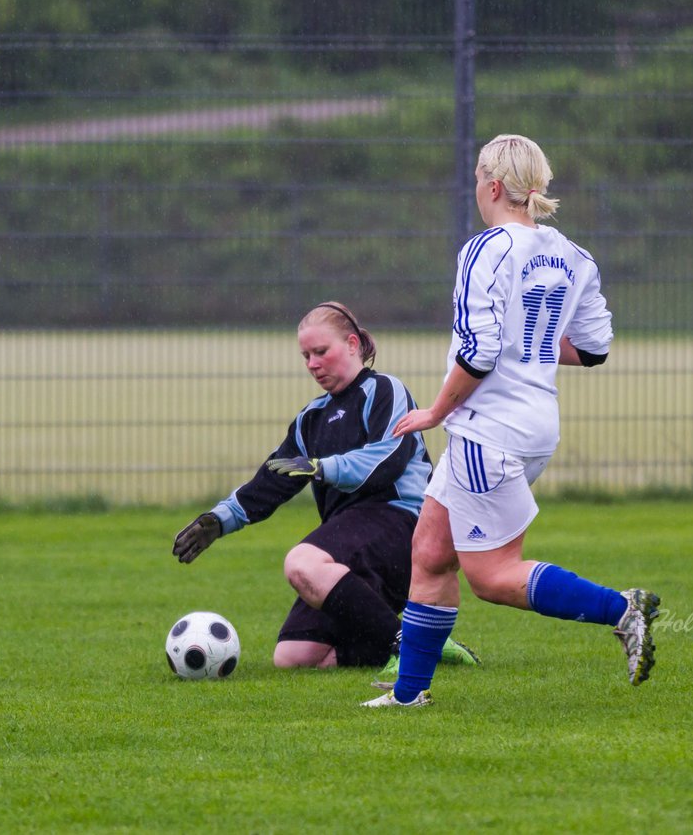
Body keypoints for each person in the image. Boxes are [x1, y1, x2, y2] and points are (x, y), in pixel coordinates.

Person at [362, 135, 660, 708]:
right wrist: (536, 346)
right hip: (533, 425)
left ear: (494, 186)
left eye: (478, 178)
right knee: (429, 552)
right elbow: (594, 349)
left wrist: (434, 411)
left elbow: (478, 352)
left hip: (488, 426)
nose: (475, 188)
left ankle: (623, 609)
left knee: (493, 577)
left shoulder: (486, 249)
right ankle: (408, 695)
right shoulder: (574, 256)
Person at [172, 301, 480, 673]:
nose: (312, 364)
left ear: (352, 344)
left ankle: (409, 646)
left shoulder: (385, 390)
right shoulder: (310, 419)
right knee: (295, 657)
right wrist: (219, 521)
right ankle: (424, 643)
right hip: (350, 550)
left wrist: (320, 467)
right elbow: (270, 480)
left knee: (301, 563)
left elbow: (384, 464)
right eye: (305, 356)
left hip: (401, 527)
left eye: (321, 352)